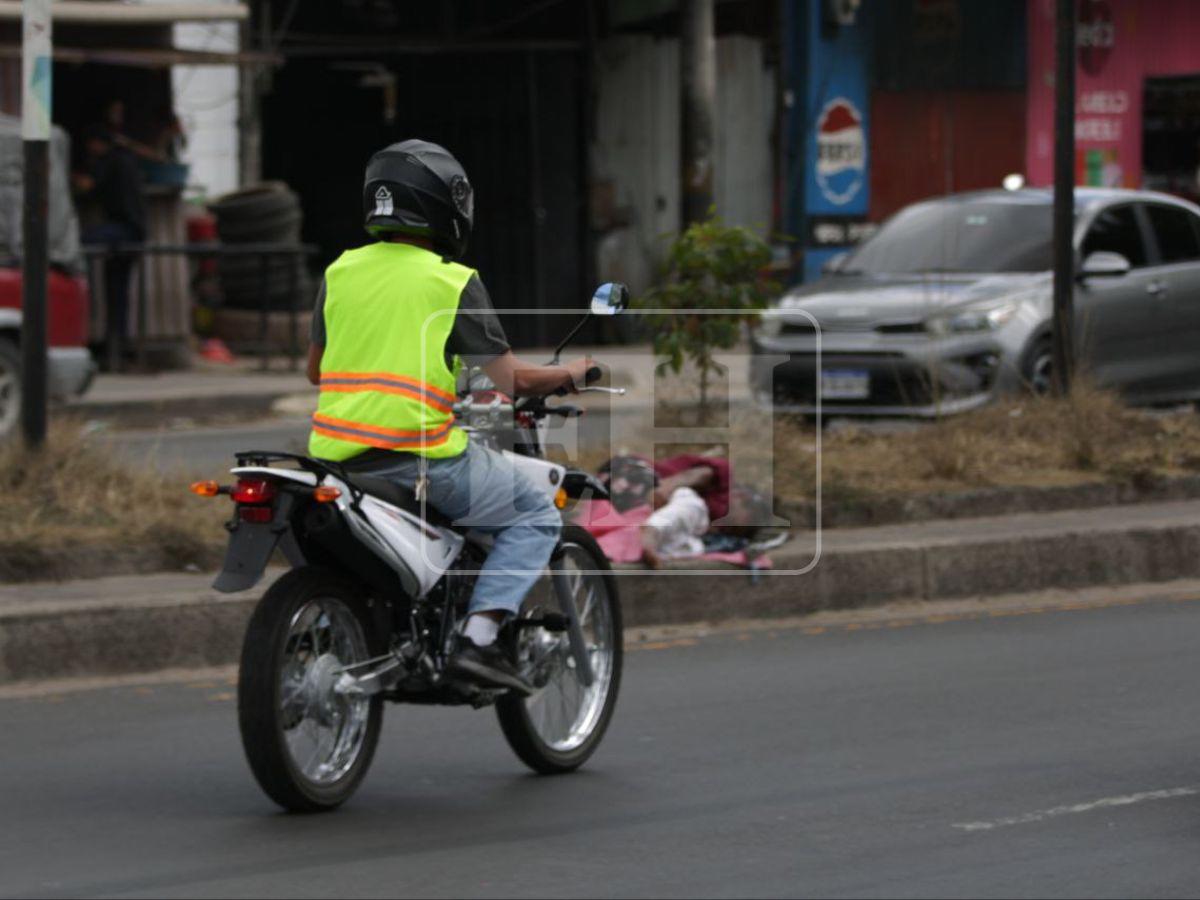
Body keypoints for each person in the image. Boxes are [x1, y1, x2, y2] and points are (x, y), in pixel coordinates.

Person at [306, 139, 591, 693]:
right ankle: (478, 640)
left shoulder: (340, 272)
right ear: (447, 204)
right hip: (420, 464)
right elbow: (513, 382)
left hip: (336, 463)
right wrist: (575, 371)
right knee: (534, 512)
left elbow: (316, 370)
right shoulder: (451, 281)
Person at [73, 123, 147, 366]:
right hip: (136, 232)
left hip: (122, 229)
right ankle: (118, 346)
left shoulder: (109, 160)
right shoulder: (126, 158)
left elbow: (88, 186)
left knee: (75, 247)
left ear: (97, 143)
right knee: (118, 290)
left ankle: (94, 338)